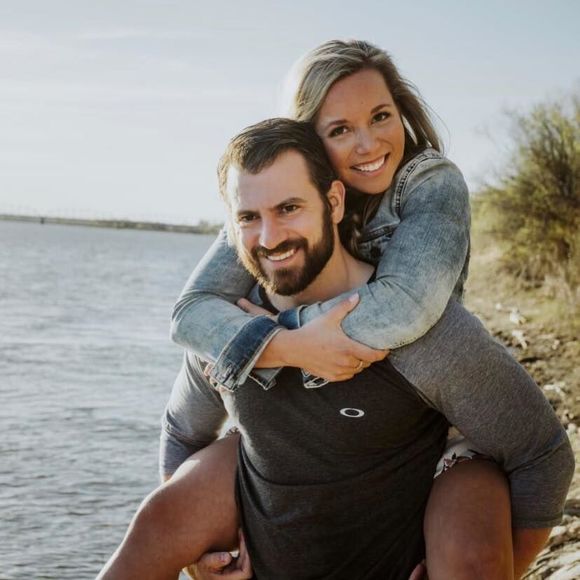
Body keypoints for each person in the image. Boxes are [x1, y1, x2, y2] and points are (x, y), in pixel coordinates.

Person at [98, 119, 574, 580]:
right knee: (152, 524)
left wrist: (507, 568)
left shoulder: (413, 326)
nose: (269, 238)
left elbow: (542, 455)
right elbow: (182, 431)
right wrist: (198, 558)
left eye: (289, 208)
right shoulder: (227, 326)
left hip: (398, 558)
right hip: (269, 560)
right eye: (248, 217)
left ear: (334, 201)